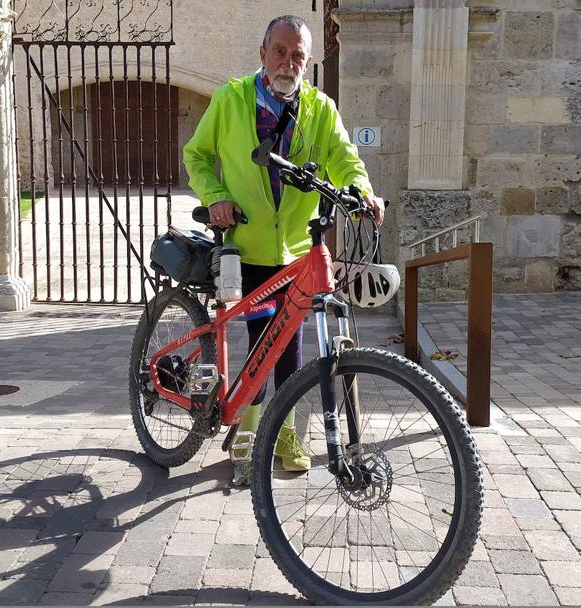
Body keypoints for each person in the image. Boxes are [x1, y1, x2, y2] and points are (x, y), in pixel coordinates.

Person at [183, 14, 385, 485]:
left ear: (308, 63)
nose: (287, 62)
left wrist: (361, 189)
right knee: (261, 340)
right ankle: (251, 432)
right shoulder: (230, 100)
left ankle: (284, 430)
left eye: (297, 55)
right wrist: (215, 198)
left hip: (296, 246)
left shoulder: (319, 108)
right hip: (247, 243)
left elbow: (343, 158)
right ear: (262, 54)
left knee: (289, 342)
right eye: (279, 51)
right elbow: (196, 155)